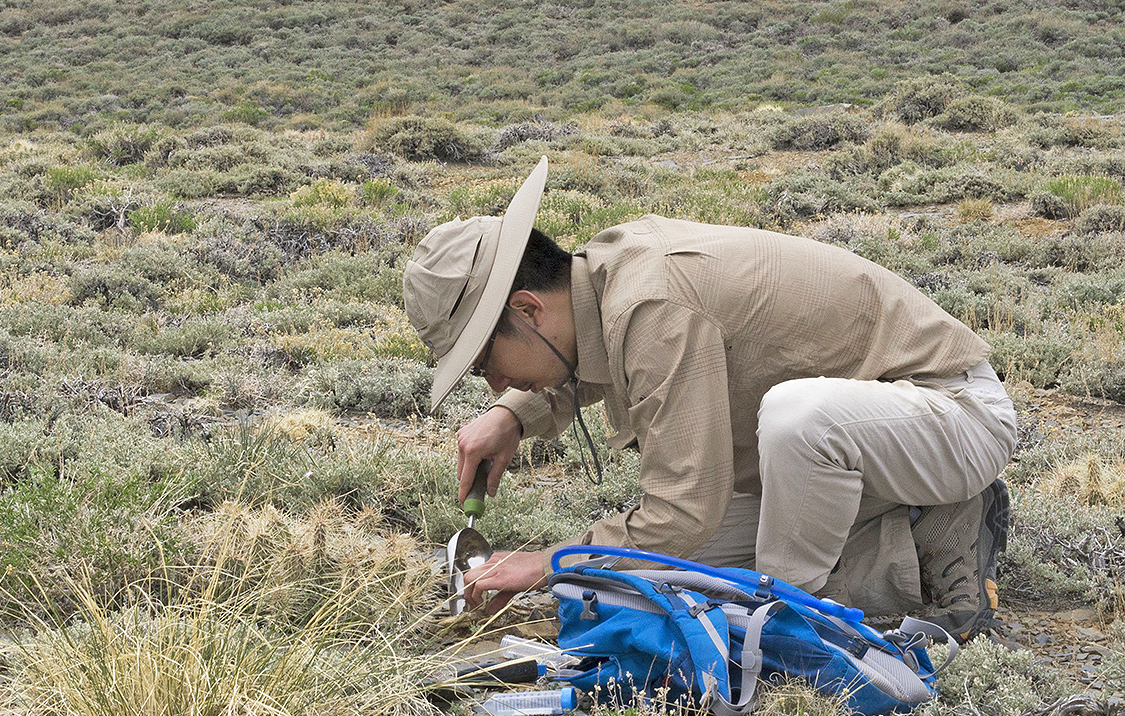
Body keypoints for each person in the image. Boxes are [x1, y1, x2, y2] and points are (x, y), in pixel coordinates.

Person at [404, 156, 1016, 640]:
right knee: (659, 579)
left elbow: (682, 510)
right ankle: (914, 535)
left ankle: (785, 622)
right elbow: (592, 354)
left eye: (487, 363)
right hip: (874, 443)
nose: (494, 385)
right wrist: (514, 415)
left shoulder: (652, 304)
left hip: (952, 416)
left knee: (790, 428)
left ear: (527, 308)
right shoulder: (603, 275)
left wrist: (546, 563)